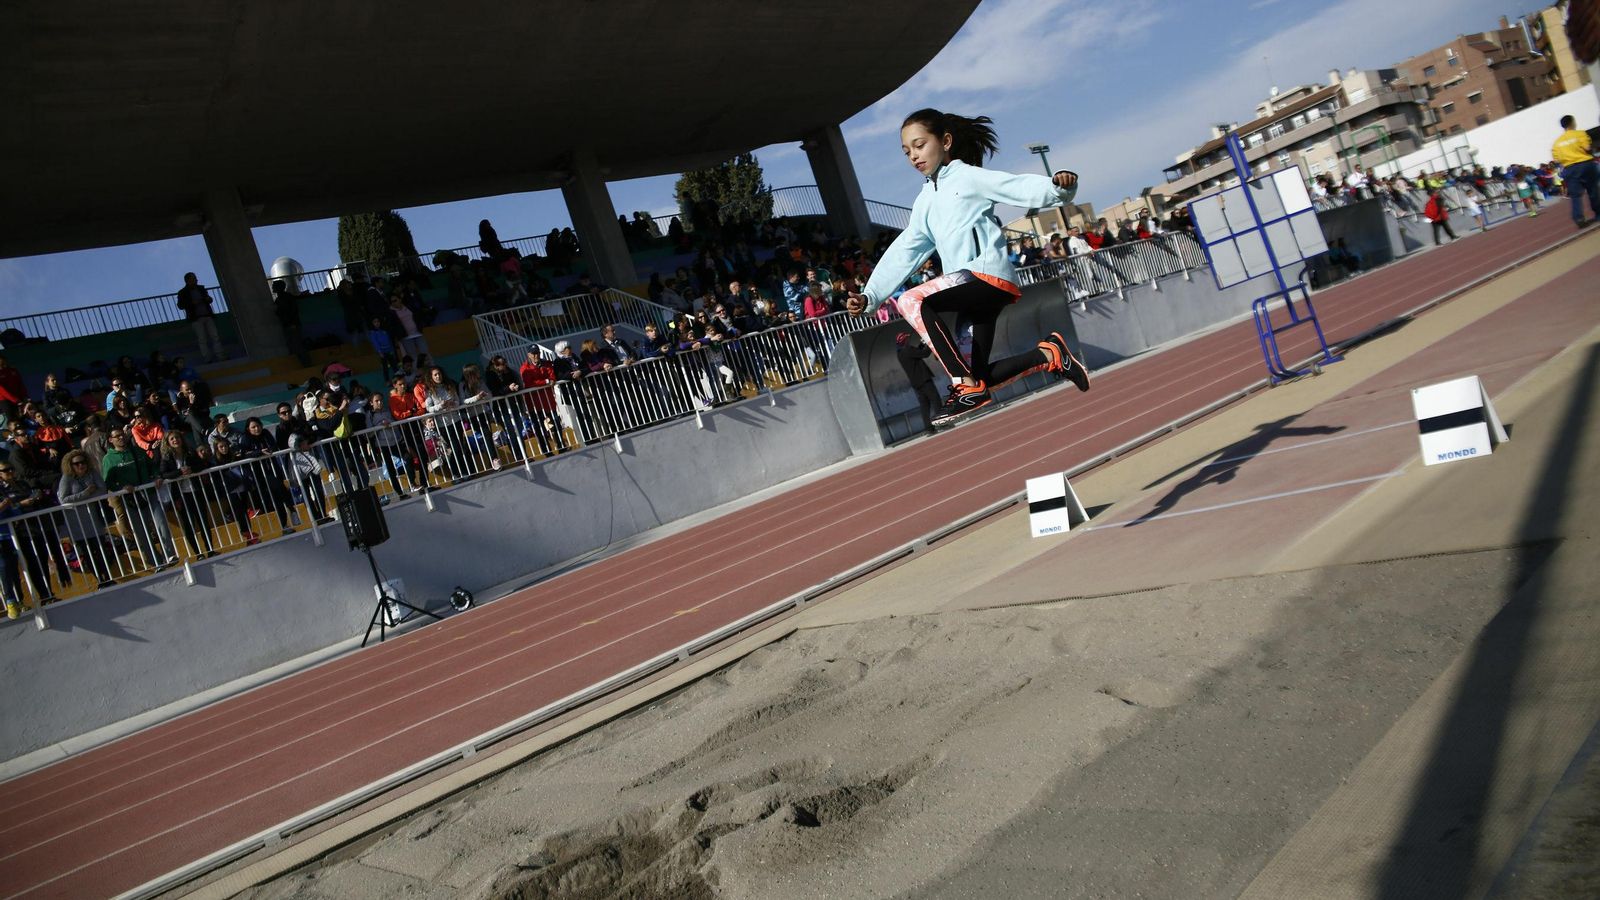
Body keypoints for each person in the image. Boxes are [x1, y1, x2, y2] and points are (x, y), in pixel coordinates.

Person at [845, 108, 1091, 427]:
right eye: (906, 151)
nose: (913, 156)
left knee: (911, 300)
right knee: (981, 375)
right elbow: (906, 250)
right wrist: (871, 295)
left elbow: (1016, 186)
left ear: (945, 141)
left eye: (919, 145)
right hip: (969, 291)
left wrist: (1058, 188)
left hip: (985, 276)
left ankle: (964, 385)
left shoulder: (969, 177)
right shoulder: (924, 201)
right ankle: (1049, 355)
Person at [1552, 114, 1600, 228]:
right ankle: (1598, 214)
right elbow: (1587, 148)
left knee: (1575, 195)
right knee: (1592, 190)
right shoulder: (1580, 134)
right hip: (1585, 164)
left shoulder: (1557, 143)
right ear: (1572, 123)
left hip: (1569, 168)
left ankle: (1578, 218)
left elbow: (1557, 159)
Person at [896, 332, 942, 434]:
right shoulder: (908, 350)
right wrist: (929, 344)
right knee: (936, 400)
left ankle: (929, 428)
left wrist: (921, 344)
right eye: (907, 339)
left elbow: (916, 353)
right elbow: (925, 354)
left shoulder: (900, 353)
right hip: (924, 380)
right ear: (904, 340)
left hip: (916, 383)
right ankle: (942, 422)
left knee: (924, 406)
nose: (908, 340)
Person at [177, 272, 223, 363]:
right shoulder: (183, 292)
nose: (196, 280)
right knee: (202, 339)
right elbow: (180, 305)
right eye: (194, 278)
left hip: (207, 316)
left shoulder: (201, 288)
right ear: (188, 280)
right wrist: (192, 303)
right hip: (196, 319)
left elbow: (209, 299)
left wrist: (208, 299)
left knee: (215, 336)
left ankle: (220, 355)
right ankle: (207, 358)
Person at [273, 280, 312, 367]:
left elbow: (293, 311)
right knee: (294, 344)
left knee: (297, 344)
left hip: (291, 324)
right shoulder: (280, 298)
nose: (272, 288)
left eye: (274, 286)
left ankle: (306, 363)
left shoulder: (285, 297)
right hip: (289, 324)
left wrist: (292, 323)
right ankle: (304, 363)